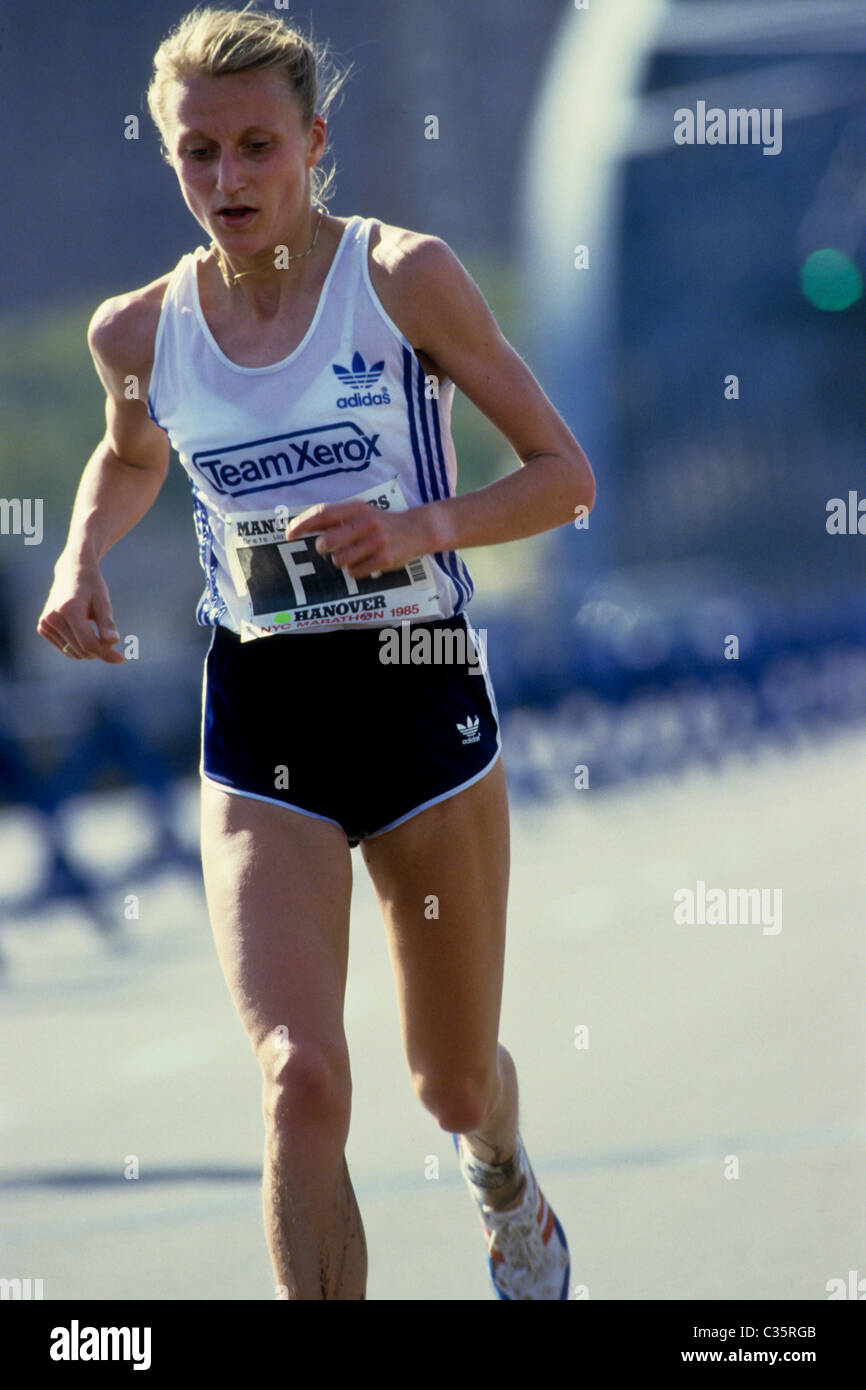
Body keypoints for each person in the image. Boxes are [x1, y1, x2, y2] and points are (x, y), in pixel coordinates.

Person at [37, 3, 596, 1300]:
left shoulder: (403, 279)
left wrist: (415, 525)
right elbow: (127, 460)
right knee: (299, 1079)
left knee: (447, 1078)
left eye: (254, 149)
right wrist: (80, 558)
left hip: (417, 699)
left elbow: (561, 478)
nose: (226, 182)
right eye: (197, 155)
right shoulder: (138, 332)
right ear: (169, 157)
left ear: (311, 143)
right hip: (265, 712)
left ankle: (501, 1172)